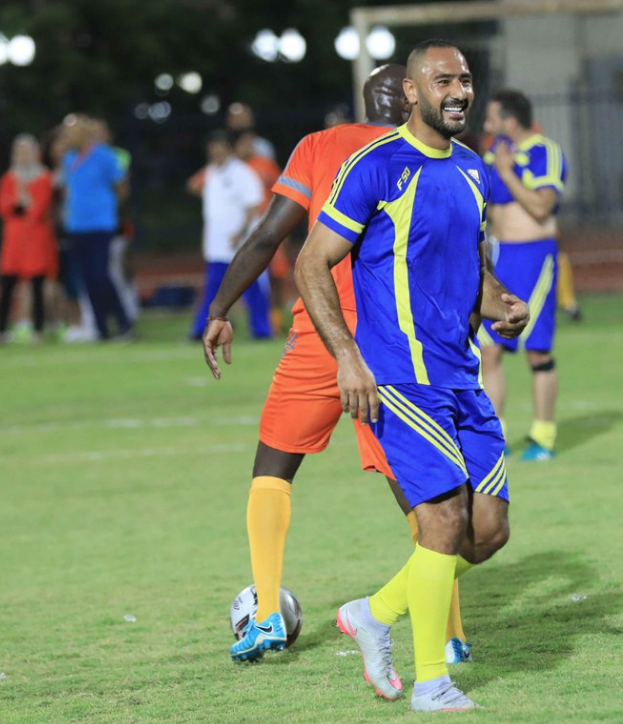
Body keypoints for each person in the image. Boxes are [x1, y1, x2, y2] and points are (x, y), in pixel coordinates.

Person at [203, 65, 476, 667]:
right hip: (396, 342)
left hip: (320, 334)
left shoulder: (321, 146)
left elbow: (270, 235)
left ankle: (267, 614)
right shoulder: (438, 154)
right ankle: (451, 635)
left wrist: (220, 307)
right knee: (422, 495)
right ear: (410, 96)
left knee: (272, 467)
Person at [293, 40, 529, 712]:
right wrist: (347, 355)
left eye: (465, 80)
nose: (458, 91)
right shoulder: (376, 167)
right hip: (399, 376)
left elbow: (473, 270)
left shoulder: (473, 172)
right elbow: (312, 264)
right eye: (442, 80)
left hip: (462, 376)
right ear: (412, 93)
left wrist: (501, 304)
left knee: (488, 533)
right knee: (443, 521)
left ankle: (373, 612)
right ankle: (433, 682)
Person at [479, 89, 567, 462]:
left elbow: (542, 208)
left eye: (492, 118)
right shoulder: (492, 151)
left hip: (533, 258)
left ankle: (543, 437)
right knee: (488, 349)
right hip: (499, 258)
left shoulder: (544, 152)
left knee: (537, 350)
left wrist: (506, 172)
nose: (485, 124)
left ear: (510, 121)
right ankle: (492, 437)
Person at [188, 131, 270, 341]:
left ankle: (262, 330)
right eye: (213, 151)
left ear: (229, 150)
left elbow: (253, 205)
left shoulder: (242, 173)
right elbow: (193, 187)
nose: (217, 155)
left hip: (239, 242)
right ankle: (201, 329)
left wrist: (241, 232)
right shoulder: (211, 173)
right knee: (214, 288)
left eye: (220, 151)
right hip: (217, 244)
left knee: (250, 285)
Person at [60, 114, 133, 340]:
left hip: (101, 225)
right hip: (77, 226)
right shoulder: (68, 159)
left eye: (70, 132)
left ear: (83, 133)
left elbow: (121, 188)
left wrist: (106, 207)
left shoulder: (104, 156)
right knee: (88, 279)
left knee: (101, 275)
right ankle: (101, 328)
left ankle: (123, 322)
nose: (66, 137)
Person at [0, 134, 58, 344]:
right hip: (14, 240)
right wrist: (19, 203)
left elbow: (38, 209)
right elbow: (2, 206)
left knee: (37, 286)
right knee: (6, 285)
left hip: (36, 239)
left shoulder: (44, 177)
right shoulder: (9, 178)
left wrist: (24, 203)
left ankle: (38, 330)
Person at [233, 128, 291, 337]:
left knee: (276, 277)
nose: (249, 147)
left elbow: (283, 191)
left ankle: (275, 321)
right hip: (242, 232)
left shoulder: (265, 164)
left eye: (251, 142)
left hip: (270, 228)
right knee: (244, 277)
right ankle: (247, 320)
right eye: (244, 143)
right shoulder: (231, 169)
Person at [91, 118, 139, 325]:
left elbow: (119, 187)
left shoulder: (118, 156)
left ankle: (129, 310)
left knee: (119, 266)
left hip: (117, 220)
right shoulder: (83, 158)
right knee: (101, 269)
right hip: (95, 222)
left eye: (100, 132)